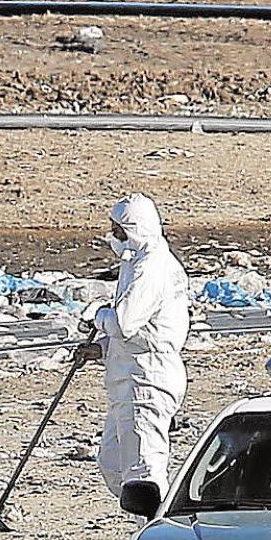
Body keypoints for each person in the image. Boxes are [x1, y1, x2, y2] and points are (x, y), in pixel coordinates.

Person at [75, 193, 190, 503]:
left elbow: (124, 323)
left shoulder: (150, 268)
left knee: (144, 473)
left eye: (118, 231)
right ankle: (148, 523)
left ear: (135, 228)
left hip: (146, 379)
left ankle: (157, 535)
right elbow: (138, 329)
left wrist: (96, 315)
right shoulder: (136, 260)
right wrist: (101, 349)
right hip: (128, 377)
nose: (114, 237)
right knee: (113, 464)